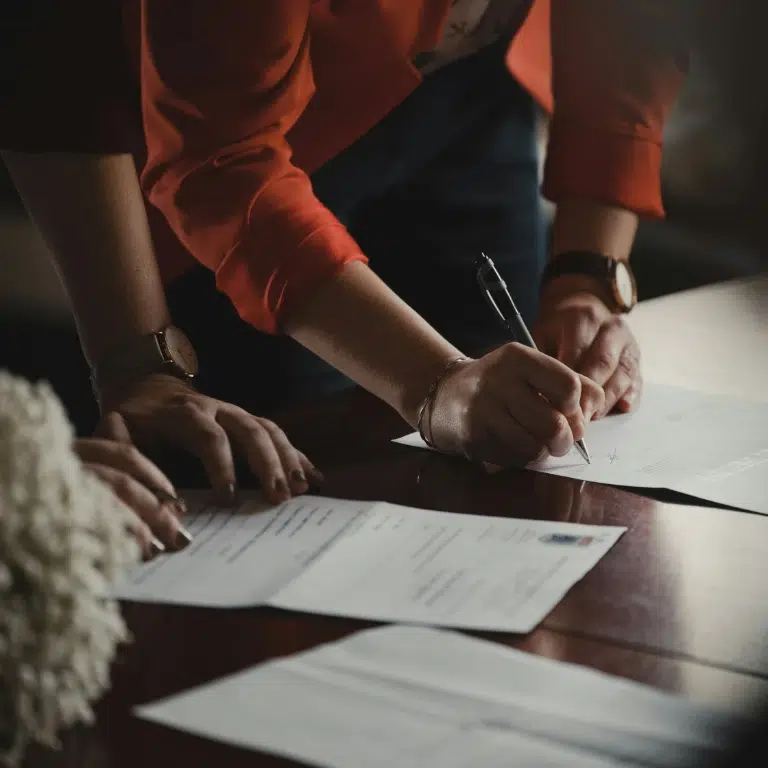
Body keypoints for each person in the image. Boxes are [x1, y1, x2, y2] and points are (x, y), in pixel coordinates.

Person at [2, 1, 685, 471]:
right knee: (296, 468)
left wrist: (586, 278)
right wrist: (432, 382)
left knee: (518, 426)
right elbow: (223, 163)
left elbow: (636, 28)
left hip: (470, 82)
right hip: (253, 130)